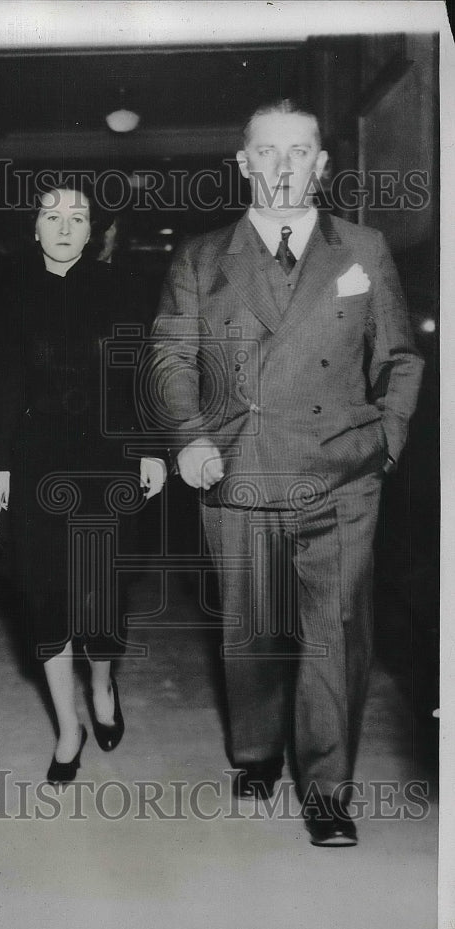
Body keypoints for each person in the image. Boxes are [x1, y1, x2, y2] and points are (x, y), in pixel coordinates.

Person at [146, 100, 423, 845]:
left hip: (343, 474)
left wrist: (386, 442)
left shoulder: (363, 249)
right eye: (266, 153)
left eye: (297, 152)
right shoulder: (202, 260)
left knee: (336, 634)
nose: (281, 167)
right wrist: (187, 440)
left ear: (320, 165)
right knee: (253, 629)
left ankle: (328, 790)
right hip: (238, 471)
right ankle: (257, 749)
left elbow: (400, 358)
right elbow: (171, 359)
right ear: (243, 163)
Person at [0, 181, 165, 784]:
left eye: (78, 217)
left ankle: (102, 683)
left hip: (108, 461)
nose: (65, 226)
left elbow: (140, 373)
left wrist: (148, 450)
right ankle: (69, 729)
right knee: (45, 598)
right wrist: (5, 466)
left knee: (103, 594)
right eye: (51, 215)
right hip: (37, 462)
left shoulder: (123, 289)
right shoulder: (7, 292)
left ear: (93, 232)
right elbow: (4, 387)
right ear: (33, 227)